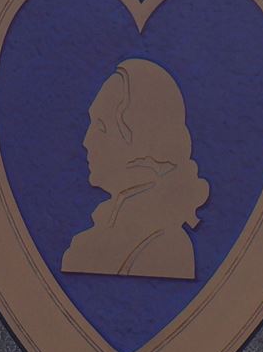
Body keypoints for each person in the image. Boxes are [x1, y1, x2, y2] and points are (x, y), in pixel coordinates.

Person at [61, 59, 207, 280]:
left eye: (101, 127)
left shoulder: (164, 246)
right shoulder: (99, 233)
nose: (86, 141)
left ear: (142, 141)